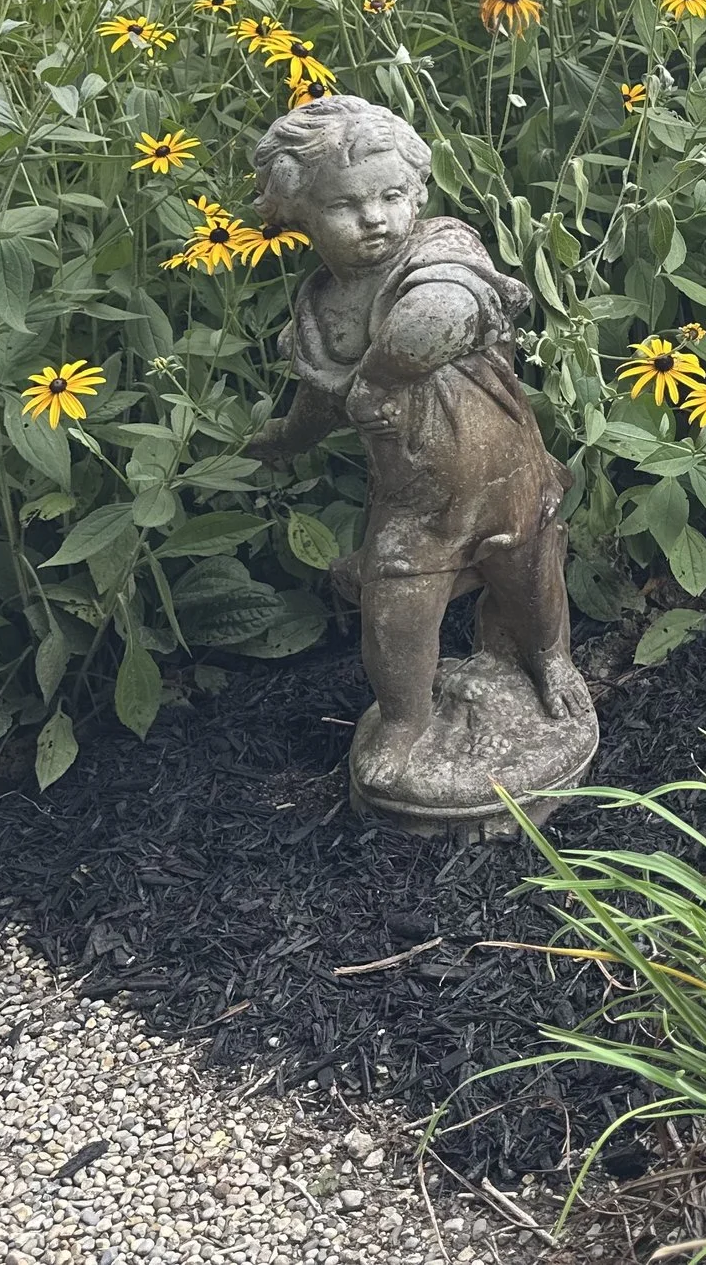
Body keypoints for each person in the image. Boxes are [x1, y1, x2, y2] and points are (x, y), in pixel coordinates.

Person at [245, 95, 588, 795]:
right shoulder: (321, 312)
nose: (375, 219)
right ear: (296, 213)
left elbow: (439, 314)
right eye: (344, 206)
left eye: (393, 195)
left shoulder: (443, 247)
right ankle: (405, 717)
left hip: (507, 475)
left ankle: (551, 660)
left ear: (419, 193)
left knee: (532, 586)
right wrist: (287, 436)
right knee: (393, 613)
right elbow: (319, 397)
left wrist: (379, 378)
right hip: (415, 499)